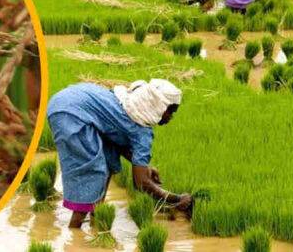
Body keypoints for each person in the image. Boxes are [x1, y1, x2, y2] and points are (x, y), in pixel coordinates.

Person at [47, 80, 194, 228]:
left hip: (63, 101)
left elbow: (117, 140)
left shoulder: (129, 105)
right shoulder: (142, 132)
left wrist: (145, 166)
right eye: (170, 111)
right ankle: (74, 233)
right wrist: (176, 198)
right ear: (157, 105)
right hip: (71, 114)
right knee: (94, 173)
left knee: (107, 160)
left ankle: (98, 220)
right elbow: (141, 183)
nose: (170, 117)